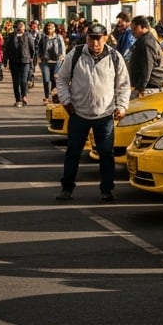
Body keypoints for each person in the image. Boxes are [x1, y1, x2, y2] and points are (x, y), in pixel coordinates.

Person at [56, 22, 131, 202]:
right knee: (73, 152)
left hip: (104, 115)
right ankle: (67, 188)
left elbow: (123, 85)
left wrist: (122, 106)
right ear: (87, 38)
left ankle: (106, 190)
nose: (95, 43)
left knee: (106, 154)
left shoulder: (115, 57)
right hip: (79, 114)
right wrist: (66, 101)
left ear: (105, 38)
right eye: (91, 39)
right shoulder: (75, 54)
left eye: (98, 39)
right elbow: (62, 79)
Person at [127, 16, 163, 97]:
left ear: (142, 27)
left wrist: (141, 88)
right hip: (146, 85)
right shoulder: (144, 40)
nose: (132, 32)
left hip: (149, 86)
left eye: (134, 29)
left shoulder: (146, 42)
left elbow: (147, 66)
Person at [4, 20, 36, 106]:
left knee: (23, 81)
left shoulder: (28, 36)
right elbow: (6, 49)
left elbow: (32, 48)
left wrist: (32, 59)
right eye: (20, 27)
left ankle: (24, 96)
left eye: (23, 27)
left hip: (25, 61)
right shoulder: (11, 36)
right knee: (15, 82)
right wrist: (5, 61)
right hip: (14, 62)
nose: (22, 29)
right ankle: (18, 99)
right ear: (16, 28)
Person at [37, 21, 65, 102]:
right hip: (46, 62)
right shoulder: (43, 37)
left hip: (57, 61)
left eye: (52, 26)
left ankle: (54, 96)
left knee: (55, 79)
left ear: (55, 28)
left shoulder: (59, 37)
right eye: (48, 26)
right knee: (46, 80)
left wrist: (62, 57)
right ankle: (46, 96)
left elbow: (62, 48)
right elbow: (39, 48)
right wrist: (39, 58)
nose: (50, 27)